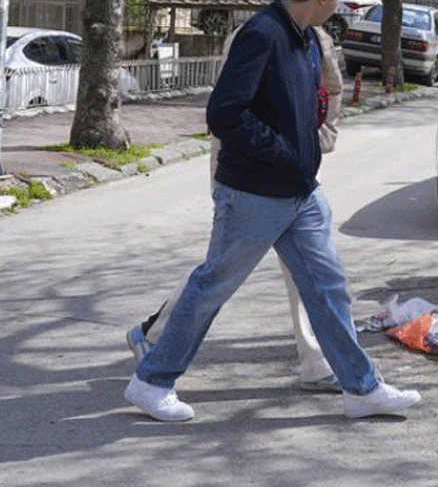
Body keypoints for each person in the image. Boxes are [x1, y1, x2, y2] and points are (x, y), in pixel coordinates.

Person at [124, 0, 419, 421]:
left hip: (300, 193)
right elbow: (225, 112)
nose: (338, 7)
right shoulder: (261, 35)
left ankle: (361, 388)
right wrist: (281, 154)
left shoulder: (302, 38)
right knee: (212, 286)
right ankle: (151, 381)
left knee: (328, 288)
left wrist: (309, 153)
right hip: (255, 193)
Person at [125, 25, 346, 393]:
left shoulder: (316, 39)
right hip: (245, 174)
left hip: (292, 176)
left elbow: (331, 92)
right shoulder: (256, 37)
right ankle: (155, 337)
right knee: (223, 270)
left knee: (308, 269)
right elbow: (229, 113)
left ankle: (317, 362)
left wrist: (319, 138)